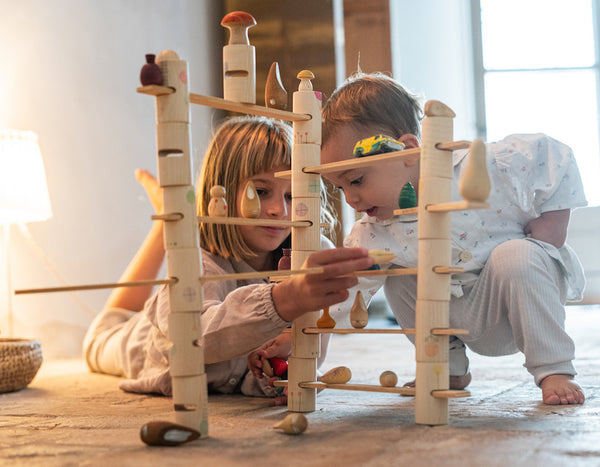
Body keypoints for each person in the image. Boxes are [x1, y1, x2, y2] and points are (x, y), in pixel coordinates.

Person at [321, 72, 587, 405]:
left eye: (357, 180)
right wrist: (296, 332)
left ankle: (554, 369)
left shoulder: (480, 165)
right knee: (398, 276)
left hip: (513, 304)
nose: (350, 199)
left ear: (406, 151)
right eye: (339, 187)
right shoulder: (371, 232)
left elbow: (555, 157)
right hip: (452, 318)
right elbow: (341, 295)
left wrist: (554, 222)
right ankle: (446, 366)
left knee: (516, 254)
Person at [83, 116, 373, 405]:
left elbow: (308, 348)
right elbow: (197, 338)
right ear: (219, 193)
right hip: (136, 339)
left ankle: (173, 218)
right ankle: (167, 221)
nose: (278, 209)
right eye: (260, 192)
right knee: (103, 331)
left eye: (291, 195)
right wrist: (285, 299)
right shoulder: (200, 263)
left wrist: (283, 366)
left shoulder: (304, 255)